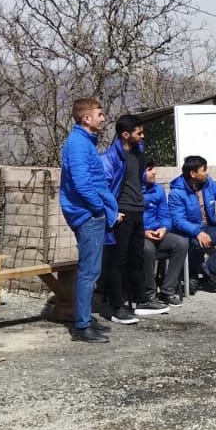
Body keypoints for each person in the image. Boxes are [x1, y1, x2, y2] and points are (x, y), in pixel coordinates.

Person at [58, 98, 115, 343]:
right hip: (87, 214)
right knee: (89, 272)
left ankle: (85, 320)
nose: (103, 118)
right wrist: (98, 208)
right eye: (99, 114)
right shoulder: (79, 145)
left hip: (89, 212)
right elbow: (82, 183)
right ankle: (81, 326)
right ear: (86, 119)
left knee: (92, 270)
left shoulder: (84, 142)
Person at [102, 115, 167, 322]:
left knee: (136, 259)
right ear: (125, 135)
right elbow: (102, 188)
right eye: (138, 133)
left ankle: (141, 300)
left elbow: (137, 180)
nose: (142, 135)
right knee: (117, 261)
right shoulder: (111, 157)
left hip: (138, 211)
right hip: (122, 213)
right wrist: (112, 213)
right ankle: (117, 307)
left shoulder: (139, 153)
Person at [168, 155, 216, 290]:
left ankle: (207, 269)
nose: (207, 172)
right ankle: (193, 275)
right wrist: (197, 232)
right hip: (188, 231)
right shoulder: (177, 193)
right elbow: (178, 220)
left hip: (208, 227)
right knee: (197, 243)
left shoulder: (209, 184)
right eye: (204, 169)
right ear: (193, 174)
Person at [140, 161, 190, 306]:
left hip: (157, 232)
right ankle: (149, 294)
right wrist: (143, 232)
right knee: (147, 249)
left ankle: (167, 290)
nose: (154, 172)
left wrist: (164, 228)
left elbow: (165, 215)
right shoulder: (131, 191)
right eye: (150, 169)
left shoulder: (158, 190)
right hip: (139, 235)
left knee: (181, 243)